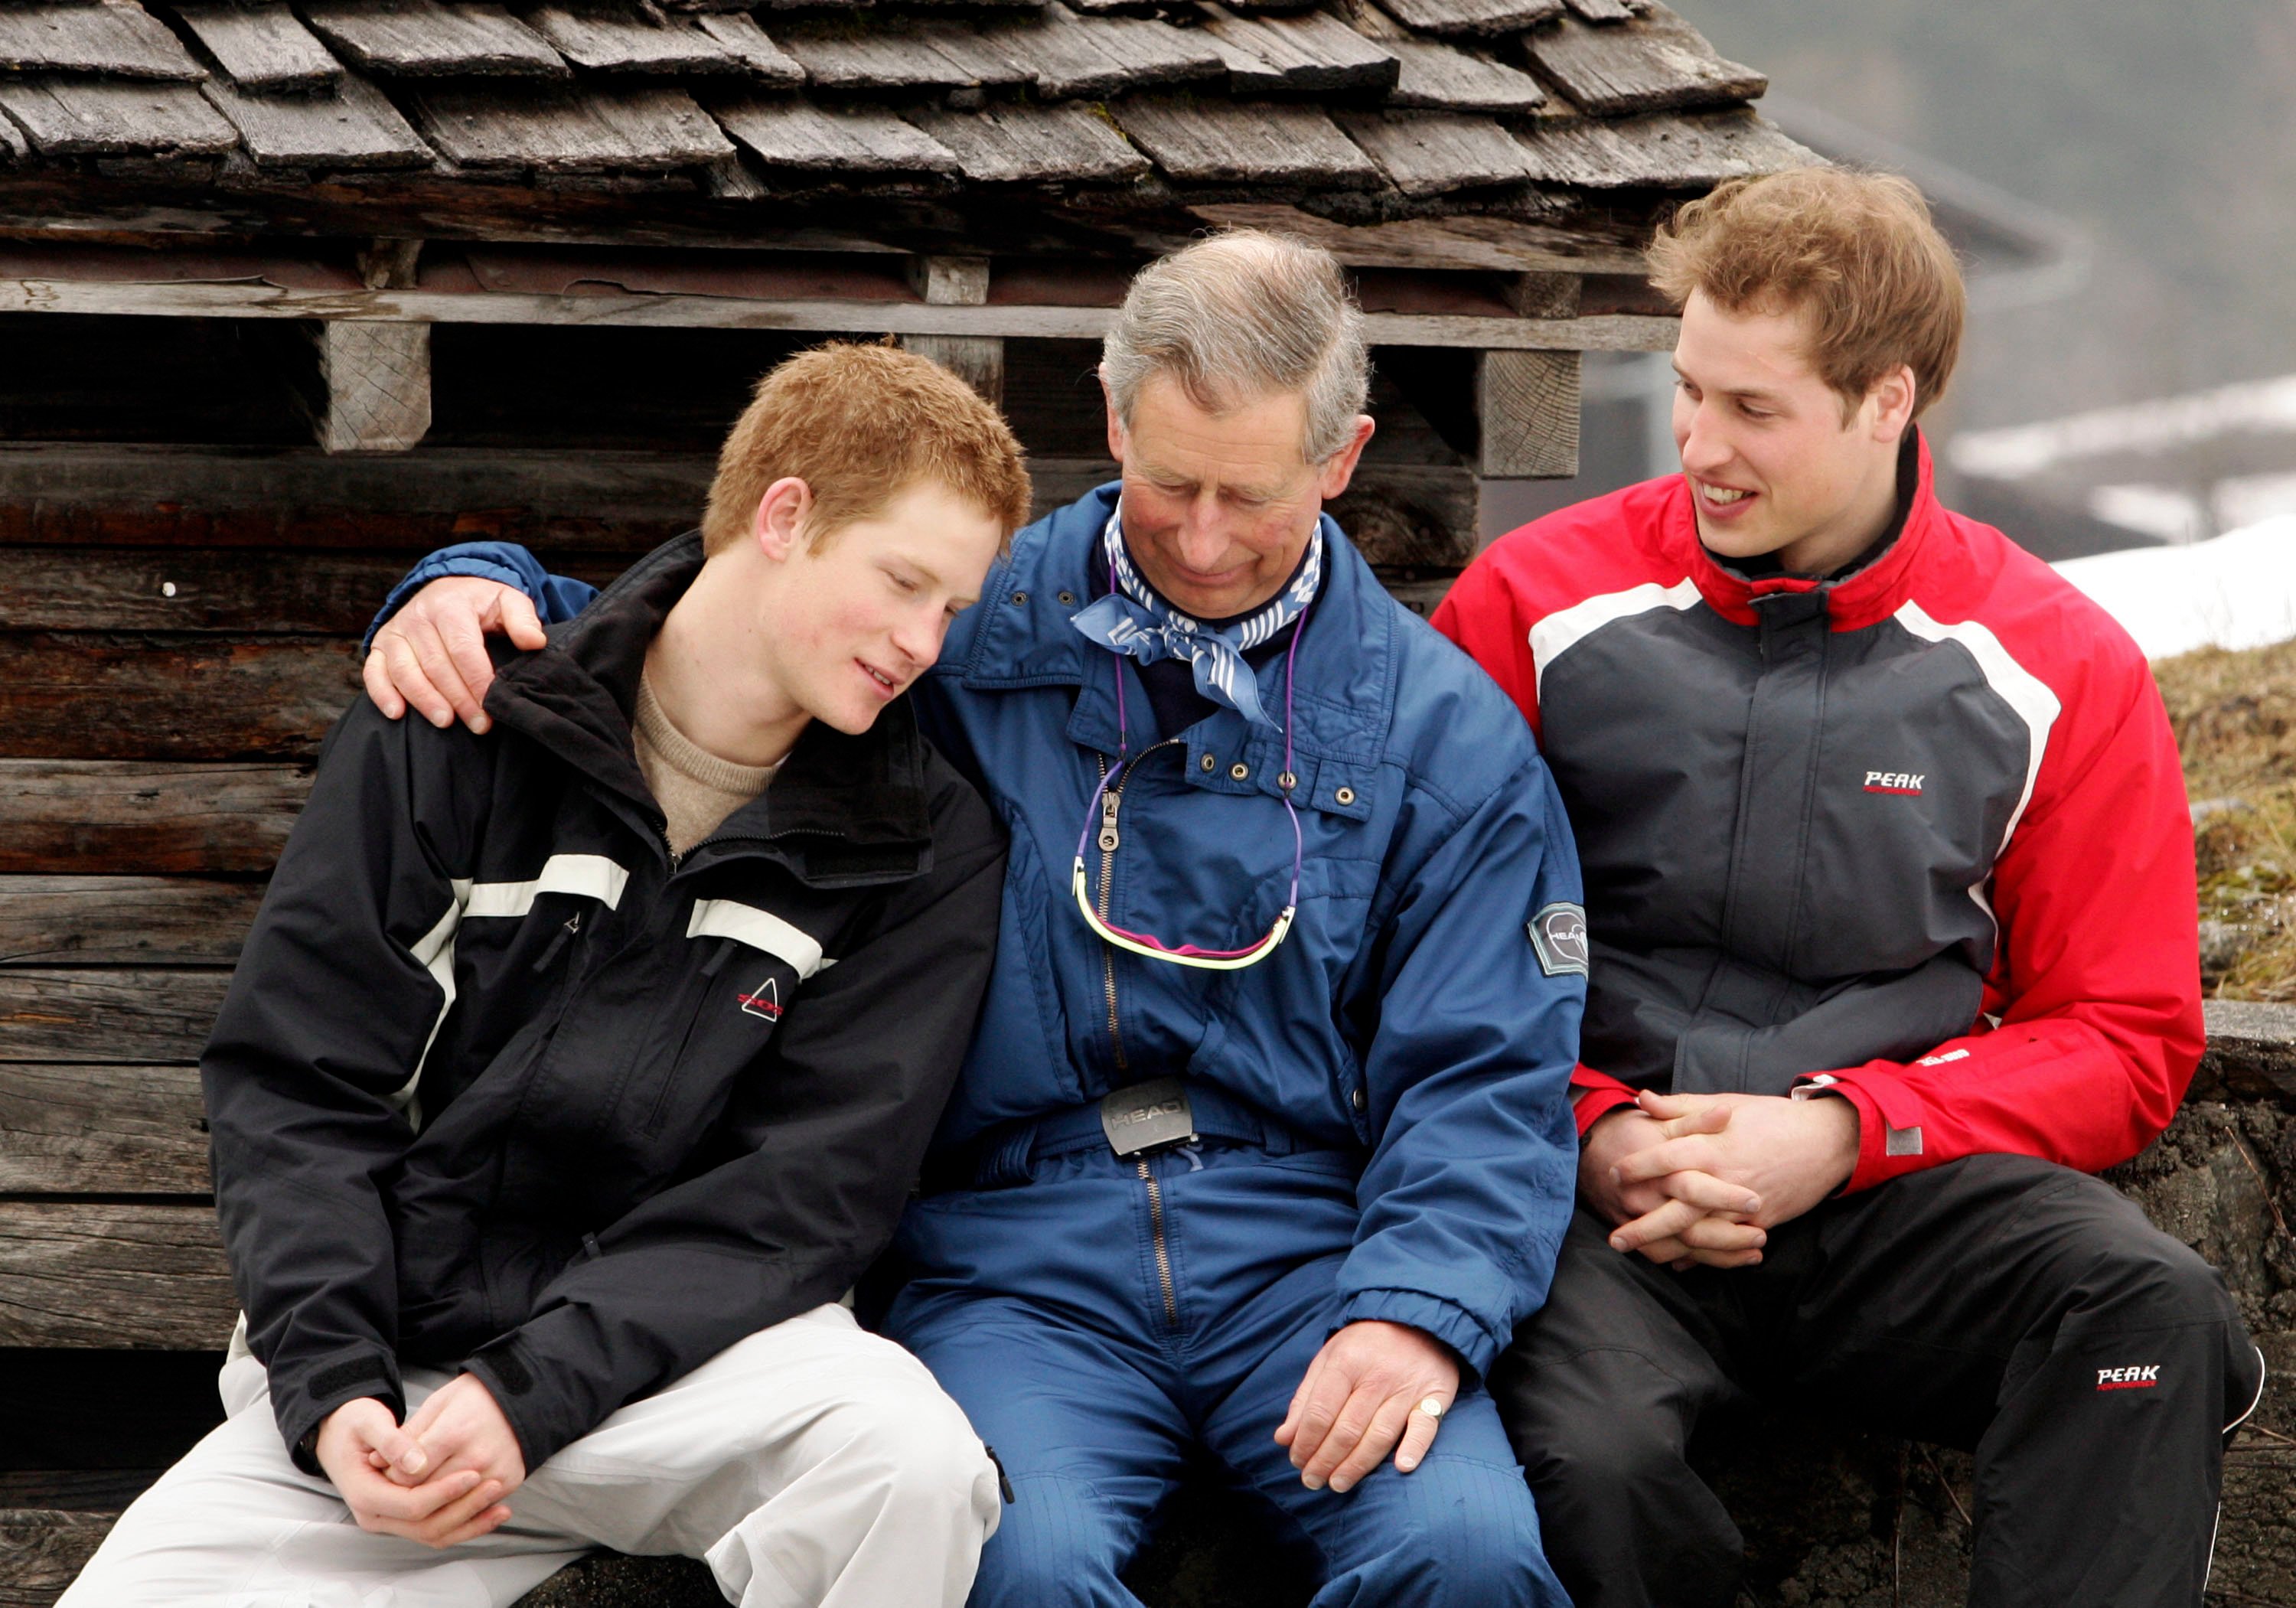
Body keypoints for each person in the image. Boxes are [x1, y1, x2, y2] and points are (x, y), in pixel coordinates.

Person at [360, 231, 1583, 1607]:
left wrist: (1417, 1309)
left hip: (1314, 1250)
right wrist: (479, 583)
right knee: (1016, 1561)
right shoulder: (963, 621)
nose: (1200, 536)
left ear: (1343, 456)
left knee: (1466, 1552)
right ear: (1112, 415)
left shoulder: (1447, 738)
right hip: (1008, 1260)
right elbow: (726, 626)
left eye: (1251, 495)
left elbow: (1490, 1070)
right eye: (1168, 479)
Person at [61, 342, 1033, 1608]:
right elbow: (298, 1084)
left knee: (906, 1463)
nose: (921, 642)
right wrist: (331, 1388)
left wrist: (540, 1386)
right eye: (903, 582)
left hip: (682, 1377)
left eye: (950, 609)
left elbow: (807, 1193)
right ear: (785, 516)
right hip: (386, 1366)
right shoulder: (460, 717)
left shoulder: (924, 841)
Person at [1433, 168, 2267, 1607]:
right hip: (1589, 1204)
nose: (1698, 443)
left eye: (1755, 410)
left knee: (2148, 1315)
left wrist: (1846, 1129)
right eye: (1689, 388)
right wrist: (1600, 1135)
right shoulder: (1530, 603)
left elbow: (2127, 1033)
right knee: (1593, 1462)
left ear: (1889, 403)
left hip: (1896, 1191)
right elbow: (1421, 949)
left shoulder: (2058, 662)